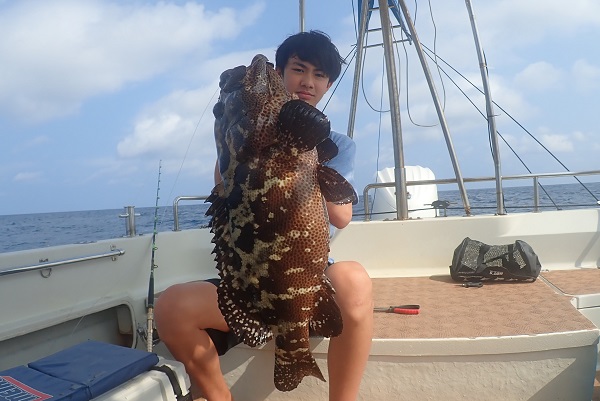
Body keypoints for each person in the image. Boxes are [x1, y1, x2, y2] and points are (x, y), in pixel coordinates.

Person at [155, 30, 373, 401]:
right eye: (298, 69)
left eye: (319, 75)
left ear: (328, 85)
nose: (308, 81)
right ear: (279, 73)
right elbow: (226, 193)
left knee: (354, 280)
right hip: (251, 279)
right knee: (170, 307)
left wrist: (306, 153)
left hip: (307, 276)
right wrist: (233, 139)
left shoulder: (336, 143)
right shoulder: (241, 140)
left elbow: (340, 217)